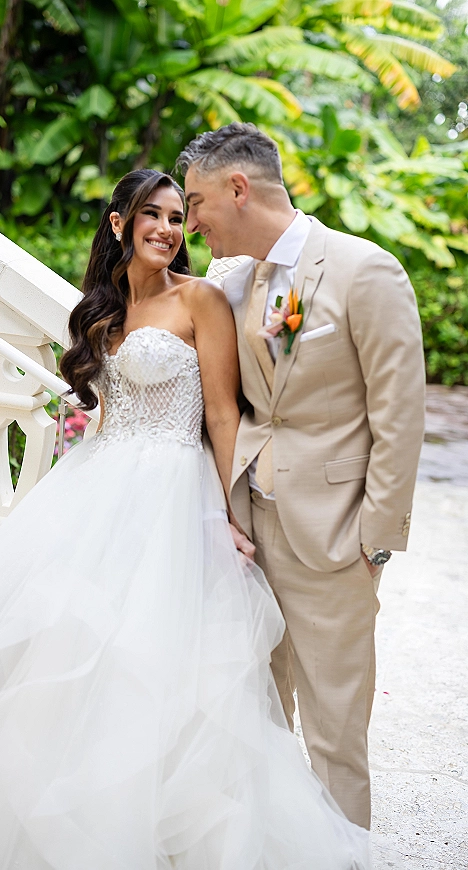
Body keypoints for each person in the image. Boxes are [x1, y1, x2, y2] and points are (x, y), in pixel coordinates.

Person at [0, 169, 370, 870]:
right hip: (101, 484)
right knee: (64, 652)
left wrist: (231, 516)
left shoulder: (200, 300)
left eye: (178, 218)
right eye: (153, 214)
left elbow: (221, 414)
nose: (168, 230)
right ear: (119, 223)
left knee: (156, 666)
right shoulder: (101, 314)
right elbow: (109, 414)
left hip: (176, 496)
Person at [176, 123, 426, 830]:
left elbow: (399, 416)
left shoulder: (364, 269)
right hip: (251, 536)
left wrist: (374, 541)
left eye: (195, 203)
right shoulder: (230, 282)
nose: (192, 222)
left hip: (335, 543)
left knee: (335, 737)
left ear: (238, 188)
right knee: (256, 721)